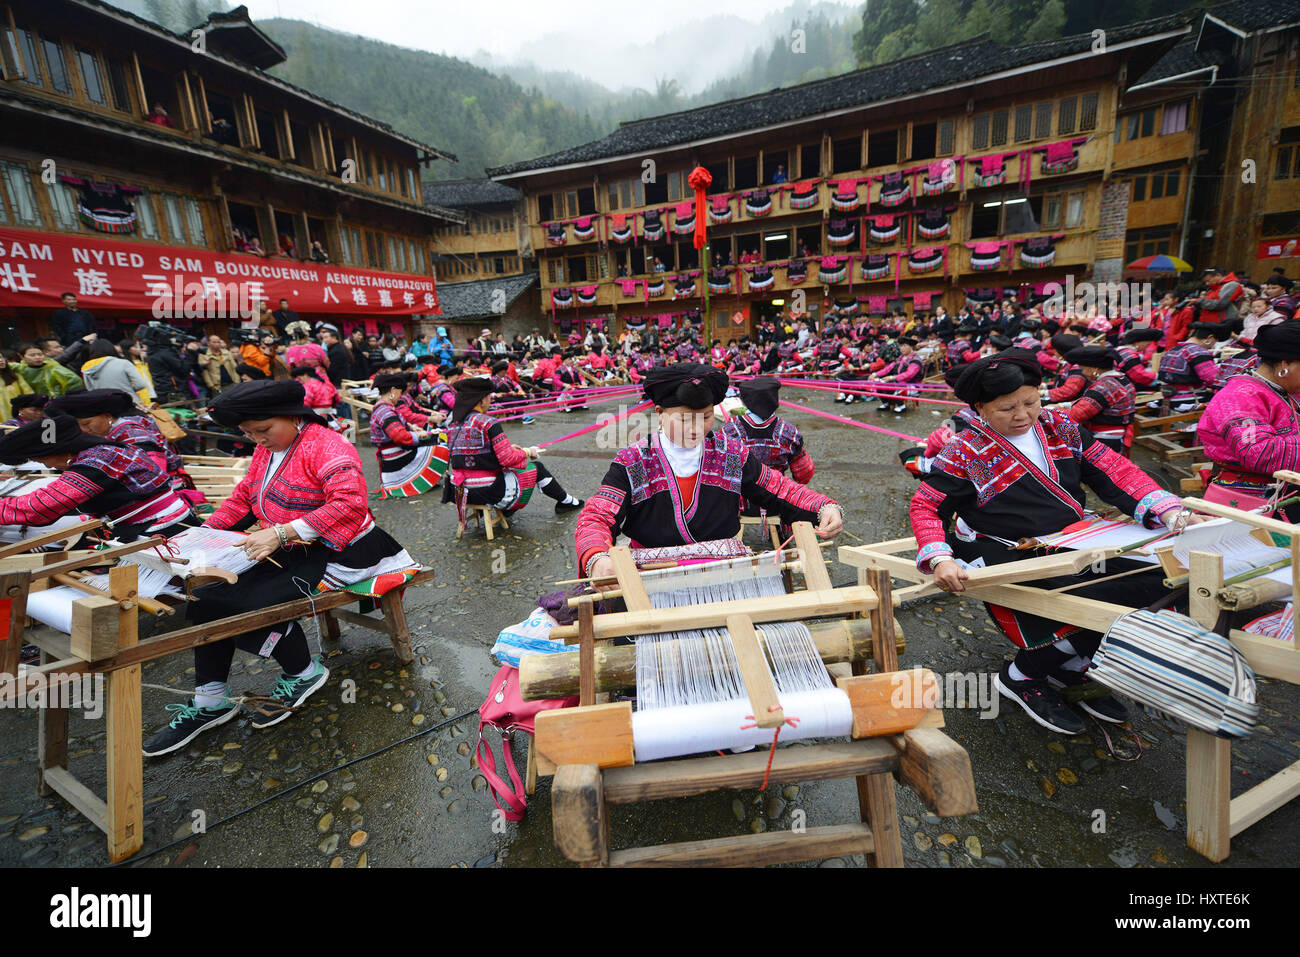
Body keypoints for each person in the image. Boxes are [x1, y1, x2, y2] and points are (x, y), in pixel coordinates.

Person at [909, 350, 1187, 735]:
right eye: (1007, 408)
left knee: (1156, 579)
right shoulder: (966, 449)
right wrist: (940, 558)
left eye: (1031, 401)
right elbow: (927, 505)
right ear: (980, 408)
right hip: (1003, 546)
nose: (1023, 415)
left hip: (1073, 537)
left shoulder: (1059, 425)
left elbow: (1111, 468)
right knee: (1092, 596)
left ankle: (1069, 666)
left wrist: (1166, 510)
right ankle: (1022, 675)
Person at [139, 379, 418, 755]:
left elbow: (350, 505)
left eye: (263, 430)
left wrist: (282, 533)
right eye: (248, 433)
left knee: (243, 602)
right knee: (204, 597)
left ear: (292, 415)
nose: (258, 440)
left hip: (339, 551)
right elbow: (244, 498)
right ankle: (210, 701)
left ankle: (304, 672)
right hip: (288, 547)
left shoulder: (329, 447)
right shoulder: (266, 450)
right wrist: (200, 537)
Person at [575, 364, 843, 580]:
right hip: (651, 577)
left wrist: (824, 507)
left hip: (722, 575)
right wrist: (597, 557)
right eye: (684, 418)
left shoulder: (730, 453)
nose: (696, 428)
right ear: (660, 413)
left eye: (704, 417)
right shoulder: (633, 461)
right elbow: (597, 516)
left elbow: (778, 489)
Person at [0, 414, 197, 540]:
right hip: (167, 519)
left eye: (44, 461)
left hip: (164, 529)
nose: (48, 466)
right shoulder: (102, 450)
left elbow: (41, 506)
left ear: (60, 450)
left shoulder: (98, 460)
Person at [446, 377, 583, 521]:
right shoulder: (488, 423)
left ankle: (564, 501)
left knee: (511, 469)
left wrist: (509, 448)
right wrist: (528, 452)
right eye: (488, 398)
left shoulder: (452, 425)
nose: (490, 401)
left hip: (460, 491)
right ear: (481, 400)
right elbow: (507, 459)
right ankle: (566, 501)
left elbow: (471, 454)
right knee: (536, 468)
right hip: (487, 491)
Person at [1198, 323, 1300, 516]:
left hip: (1287, 493)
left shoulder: (1287, 391)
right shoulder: (1240, 396)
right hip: (1255, 502)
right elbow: (1257, 451)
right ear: (1285, 365)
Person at [46, 389, 200, 501]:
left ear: (107, 416)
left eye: (87, 423)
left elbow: (154, 473)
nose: (85, 430)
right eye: (81, 425)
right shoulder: (113, 430)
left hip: (165, 494)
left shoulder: (132, 432)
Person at [370, 372, 449, 498]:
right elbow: (400, 436)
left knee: (437, 438)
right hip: (396, 455)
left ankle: (428, 479)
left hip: (395, 450)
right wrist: (419, 435)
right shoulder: (385, 411)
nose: (400, 396)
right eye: (400, 392)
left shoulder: (384, 408)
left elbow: (400, 424)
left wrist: (412, 427)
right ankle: (421, 481)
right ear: (393, 390)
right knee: (441, 447)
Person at [1062, 346, 1136, 454]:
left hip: (1106, 438)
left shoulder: (1104, 387)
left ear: (1093, 369)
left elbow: (1077, 414)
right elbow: (1088, 402)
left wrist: (1051, 412)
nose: (1082, 373)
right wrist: (1064, 405)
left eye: (1083, 369)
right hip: (1118, 435)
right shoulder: (1120, 379)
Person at [80, 338, 151, 404]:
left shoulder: (86, 368)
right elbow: (141, 384)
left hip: (105, 404)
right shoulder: (123, 363)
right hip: (129, 401)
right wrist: (127, 389)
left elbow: (90, 390)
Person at [17, 342, 81, 397]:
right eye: (32, 355)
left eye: (40, 354)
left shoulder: (52, 367)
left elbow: (74, 380)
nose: (37, 357)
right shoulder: (20, 369)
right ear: (22, 357)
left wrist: (63, 397)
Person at [0, 350, 34, 423]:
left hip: (19, 419)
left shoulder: (15, 377)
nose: (1, 360)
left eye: (1, 357)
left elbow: (29, 394)